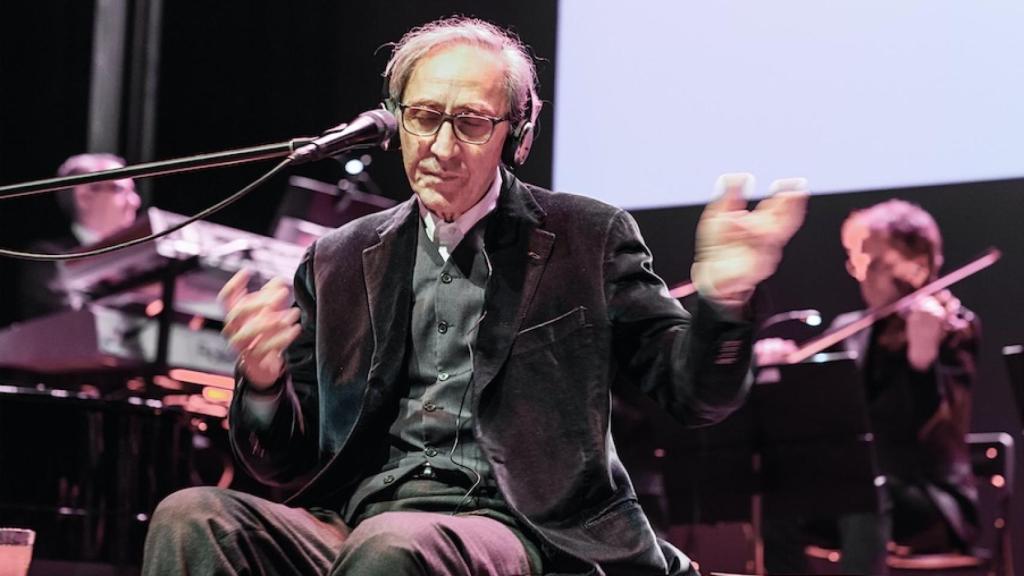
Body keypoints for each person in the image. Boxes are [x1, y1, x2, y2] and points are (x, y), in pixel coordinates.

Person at [141, 17, 808, 576]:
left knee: (395, 545)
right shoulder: (339, 257)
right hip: (359, 522)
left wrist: (725, 299)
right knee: (190, 517)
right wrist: (261, 383)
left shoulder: (586, 235)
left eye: (469, 122)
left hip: (518, 527)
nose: (440, 145)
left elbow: (694, 395)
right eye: (424, 117)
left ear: (516, 135)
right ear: (396, 120)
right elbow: (283, 463)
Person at [758, 199, 980, 575]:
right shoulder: (851, 326)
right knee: (779, 497)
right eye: (856, 262)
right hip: (857, 490)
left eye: (875, 263)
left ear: (919, 265)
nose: (861, 275)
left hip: (928, 497)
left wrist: (922, 358)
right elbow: (814, 401)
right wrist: (780, 364)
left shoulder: (953, 327)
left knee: (863, 492)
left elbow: (927, 424)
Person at [14, 153, 141, 320]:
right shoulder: (47, 257)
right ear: (84, 196)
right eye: (120, 190)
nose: (135, 201)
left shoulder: (139, 261)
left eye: (133, 191)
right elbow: (71, 319)